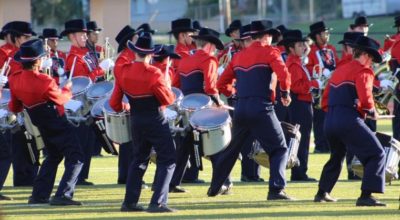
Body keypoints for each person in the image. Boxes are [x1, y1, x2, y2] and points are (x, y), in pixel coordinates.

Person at [213, 20, 293, 200]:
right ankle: (276, 189)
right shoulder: (270, 52)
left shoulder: (238, 56)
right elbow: (283, 73)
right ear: (266, 36)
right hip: (261, 107)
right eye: (270, 35)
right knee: (279, 148)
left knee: (232, 149)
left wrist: (234, 94)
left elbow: (221, 83)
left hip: (241, 107)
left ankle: (215, 185)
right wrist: (285, 92)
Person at [8, 39, 84, 205]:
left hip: (40, 123)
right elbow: (61, 99)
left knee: (53, 156)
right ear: (37, 61)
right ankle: (63, 195)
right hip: (56, 121)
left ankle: (39, 195)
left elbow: (14, 106)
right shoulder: (45, 80)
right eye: (42, 57)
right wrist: (67, 88)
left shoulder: (14, 79)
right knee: (76, 157)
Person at [109, 33, 177, 213]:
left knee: (139, 159)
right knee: (168, 158)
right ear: (150, 54)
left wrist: (125, 105)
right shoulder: (154, 73)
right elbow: (168, 99)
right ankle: (158, 202)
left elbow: (114, 103)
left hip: (136, 120)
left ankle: (129, 202)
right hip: (154, 119)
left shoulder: (123, 70)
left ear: (135, 51)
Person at [315, 36, 386, 206]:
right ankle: (366, 196)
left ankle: (322, 193)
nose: (372, 64)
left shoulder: (339, 70)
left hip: (330, 119)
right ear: (368, 56)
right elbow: (366, 96)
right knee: (377, 153)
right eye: (372, 60)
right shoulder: (363, 71)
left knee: (336, 156)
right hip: (347, 119)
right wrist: (371, 111)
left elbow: (324, 100)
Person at [171, 27, 231, 193]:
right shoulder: (209, 59)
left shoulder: (185, 60)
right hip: (203, 109)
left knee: (184, 146)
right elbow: (211, 87)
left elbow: (175, 86)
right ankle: (222, 183)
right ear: (211, 45)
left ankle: (172, 182)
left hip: (187, 109)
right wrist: (218, 102)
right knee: (216, 145)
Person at [62, 19, 111, 185]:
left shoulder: (86, 54)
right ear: (72, 36)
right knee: (82, 141)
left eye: (85, 34)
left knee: (89, 141)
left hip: (90, 103)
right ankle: (77, 176)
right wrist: (100, 69)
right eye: (81, 34)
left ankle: (83, 176)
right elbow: (81, 84)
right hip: (80, 105)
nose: (85, 37)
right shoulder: (74, 58)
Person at [282, 29, 319, 182]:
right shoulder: (293, 64)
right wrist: (315, 83)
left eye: (304, 44)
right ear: (291, 48)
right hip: (300, 104)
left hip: (303, 103)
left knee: (301, 139)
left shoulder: (297, 62)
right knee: (301, 139)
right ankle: (299, 172)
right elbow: (297, 87)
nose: (304, 47)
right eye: (300, 45)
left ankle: (300, 171)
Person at [6, 21, 41, 187]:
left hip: (28, 101)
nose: (28, 39)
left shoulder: (23, 53)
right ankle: (22, 179)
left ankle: (31, 177)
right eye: (25, 37)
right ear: (15, 37)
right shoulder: (7, 54)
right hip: (12, 102)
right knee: (19, 144)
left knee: (32, 142)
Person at [306, 21, 338, 153]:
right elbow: (308, 69)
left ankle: (331, 144)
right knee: (319, 120)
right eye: (325, 33)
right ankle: (320, 145)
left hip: (332, 88)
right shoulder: (311, 51)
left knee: (332, 118)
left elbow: (338, 64)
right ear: (317, 36)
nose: (327, 35)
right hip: (319, 90)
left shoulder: (331, 49)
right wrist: (321, 73)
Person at [114, 25, 138, 185]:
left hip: (130, 98)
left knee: (131, 141)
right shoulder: (124, 59)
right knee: (128, 141)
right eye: (135, 38)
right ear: (129, 41)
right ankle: (126, 175)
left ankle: (126, 175)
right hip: (127, 100)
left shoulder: (131, 57)